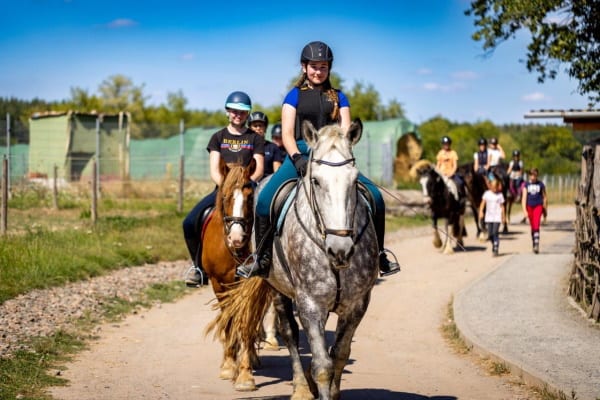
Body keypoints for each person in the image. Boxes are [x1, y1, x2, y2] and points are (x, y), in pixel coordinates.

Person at [236, 40, 400, 279]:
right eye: (313, 66)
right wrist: (297, 158)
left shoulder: (339, 97)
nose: (318, 71)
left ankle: (379, 255)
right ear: (304, 67)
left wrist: (342, 154)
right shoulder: (293, 96)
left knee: (375, 197)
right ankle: (261, 259)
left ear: (329, 68)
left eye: (323, 67)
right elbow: (289, 134)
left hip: (334, 157)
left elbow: (345, 132)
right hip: (300, 153)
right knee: (265, 201)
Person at [183, 91, 265, 287]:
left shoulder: (255, 138)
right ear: (228, 111)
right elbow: (214, 169)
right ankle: (198, 268)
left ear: (247, 114)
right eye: (235, 111)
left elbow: (259, 168)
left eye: (243, 112)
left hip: (247, 191)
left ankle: (264, 262)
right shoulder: (217, 137)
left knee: (267, 217)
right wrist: (228, 189)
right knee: (189, 221)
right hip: (223, 191)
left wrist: (245, 187)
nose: (238, 115)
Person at [248, 111, 283, 176]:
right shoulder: (244, 146)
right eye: (255, 126)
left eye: (260, 125)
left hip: (266, 183)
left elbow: (277, 172)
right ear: (249, 128)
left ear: (265, 128)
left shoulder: (273, 147)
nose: (258, 128)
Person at [521, 168, 548, 254]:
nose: (533, 177)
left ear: (537, 176)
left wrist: (545, 208)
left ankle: (536, 243)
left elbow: (544, 197)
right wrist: (524, 210)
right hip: (529, 206)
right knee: (532, 226)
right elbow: (524, 198)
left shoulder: (541, 184)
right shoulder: (526, 185)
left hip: (538, 206)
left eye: (534, 175)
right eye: (531, 175)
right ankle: (534, 242)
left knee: (536, 224)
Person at [478, 179, 506, 256]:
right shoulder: (486, 194)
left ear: (497, 187)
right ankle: (494, 243)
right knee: (490, 235)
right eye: (492, 187)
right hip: (489, 217)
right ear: (490, 186)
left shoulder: (500, 195)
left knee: (495, 232)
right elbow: (482, 203)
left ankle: (496, 247)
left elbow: (502, 207)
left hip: (497, 217)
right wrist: (481, 211)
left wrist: (503, 216)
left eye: (495, 188)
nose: (494, 189)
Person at [435, 136, 465, 203]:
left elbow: (455, 165)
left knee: (460, 183)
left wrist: (451, 173)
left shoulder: (453, 153)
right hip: (442, 174)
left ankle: (461, 199)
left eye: (447, 144)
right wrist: (438, 173)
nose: (446, 145)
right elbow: (438, 165)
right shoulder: (440, 153)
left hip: (451, 174)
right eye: (444, 144)